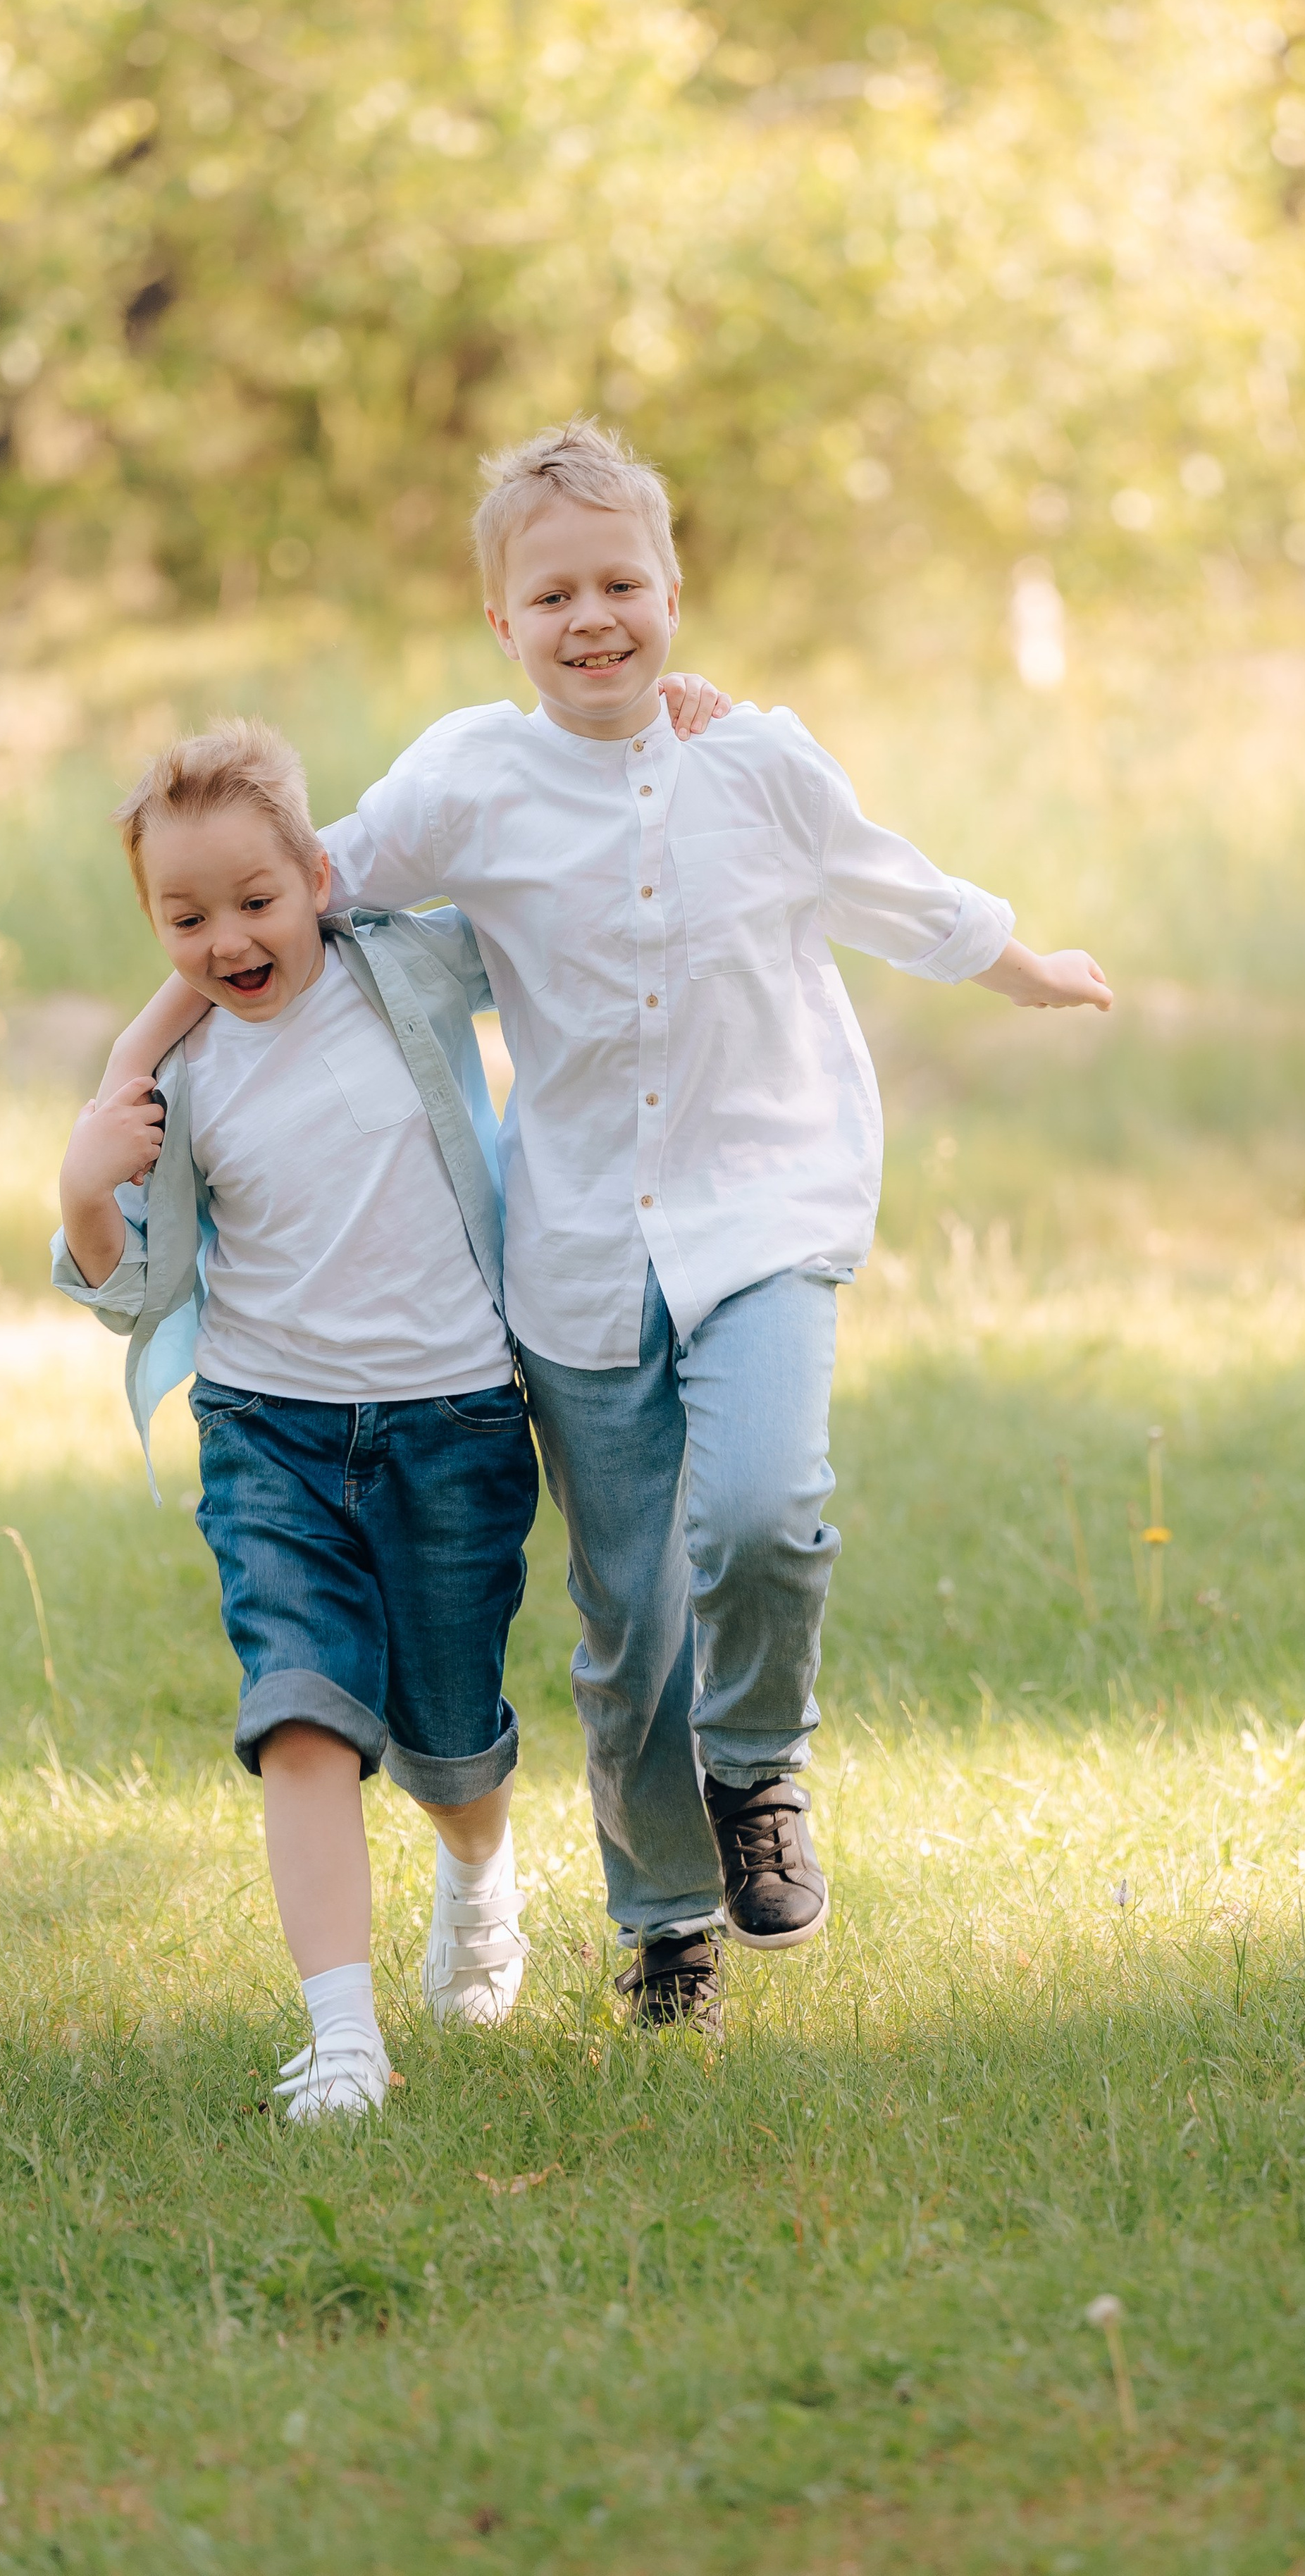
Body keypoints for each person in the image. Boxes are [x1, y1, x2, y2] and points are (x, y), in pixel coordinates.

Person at [111, 420, 1112, 2033]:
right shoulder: (468, 777)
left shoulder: (755, 758)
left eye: (621, 583)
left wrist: (1024, 963)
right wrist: (132, 1057)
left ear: (670, 588)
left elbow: (886, 882)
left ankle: (759, 1766)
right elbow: (289, 893)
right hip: (573, 1249)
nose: (593, 618)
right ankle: (664, 1929)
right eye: (553, 592)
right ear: (500, 622)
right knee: (624, 1612)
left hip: (762, 1204)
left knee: (768, 1510)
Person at [52, 717, 539, 2121]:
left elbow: (553, 919)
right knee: (302, 1720)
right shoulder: (175, 1084)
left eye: (254, 902)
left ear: (317, 877)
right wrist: (85, 1188)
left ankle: (474, 1873)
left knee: (449, 1735)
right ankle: (342, 2042)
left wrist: (657, 736)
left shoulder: (404, 966)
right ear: (153, 923)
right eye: (184, 917)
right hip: (269, 1432)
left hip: (450, 1421)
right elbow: (127, 1282)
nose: (226, 940)